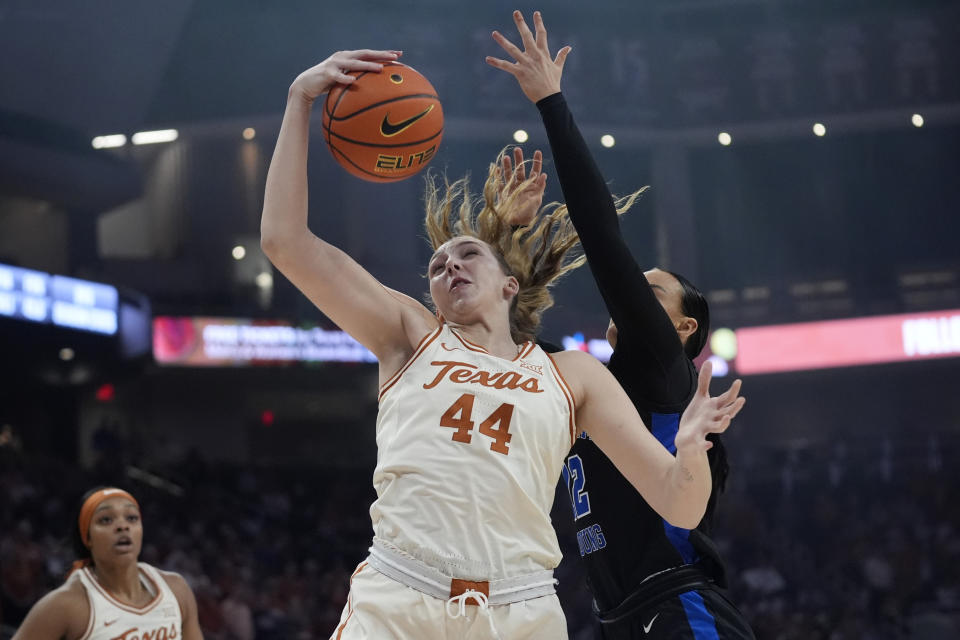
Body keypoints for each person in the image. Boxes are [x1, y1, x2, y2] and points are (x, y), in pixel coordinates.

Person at [260, 48, 745, 640]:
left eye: (467, 255)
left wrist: (690, 451)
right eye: (437, 265)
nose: (448, 266)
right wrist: (299, 99)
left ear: (510, 284)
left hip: (521, 611)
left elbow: (680, 506)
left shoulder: (573, 374)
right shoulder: (411, 334)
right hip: (400, 595)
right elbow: (284, 240)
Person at [487, 11, 756, 639]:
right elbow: (498, 336)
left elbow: (603, 240)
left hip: (678, 606)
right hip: (618, 617)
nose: (635, 292)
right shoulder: (587, 384)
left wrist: (551, 103)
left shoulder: (664, 368)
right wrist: (506, 233)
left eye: (651, 289)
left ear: (683, 327)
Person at [12, 487, 203, 640]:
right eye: (106, 520)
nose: (122, 526)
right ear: (87, 537)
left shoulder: (176, 589)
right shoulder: (68, 604)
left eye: (131, 518)